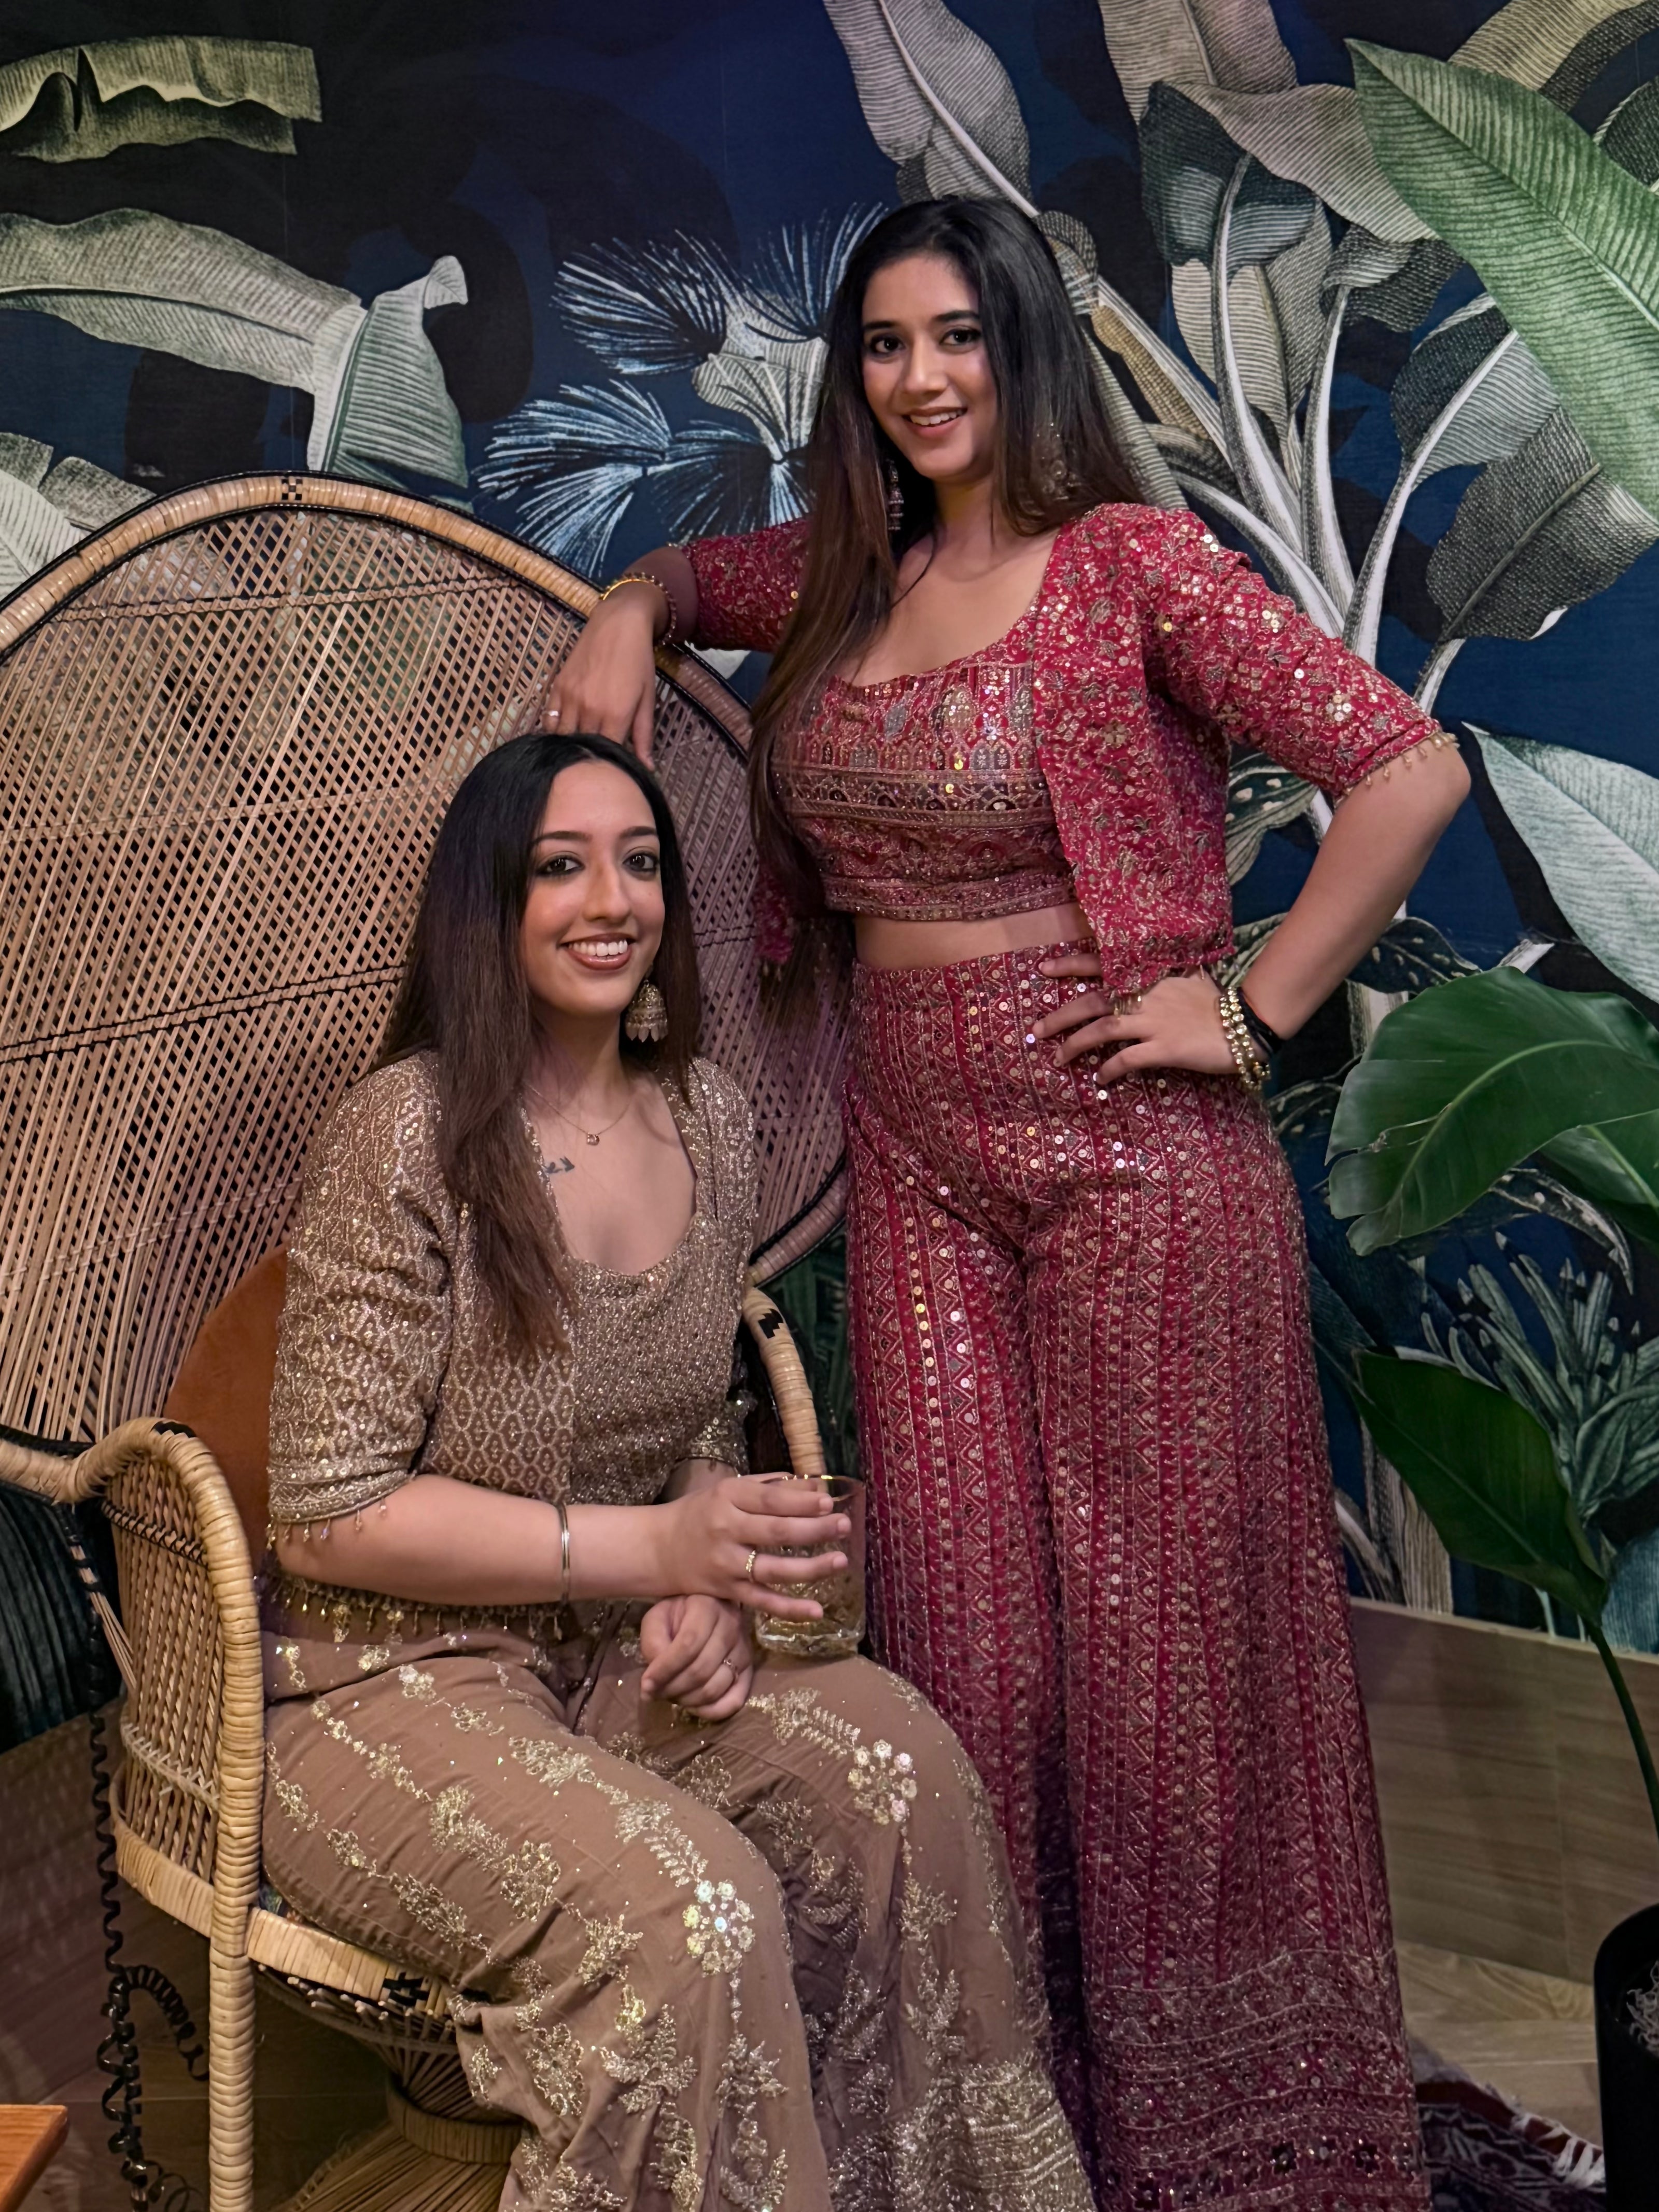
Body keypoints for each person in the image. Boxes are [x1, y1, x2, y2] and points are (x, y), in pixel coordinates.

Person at [542, 200, 1469, 2209]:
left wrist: (1250, 1008)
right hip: (918, 1160)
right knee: (971, 1646)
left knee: (1157, 1658)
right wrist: (626, 600)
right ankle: (1005, 2125)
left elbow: (1404, 769)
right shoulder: (838, 573)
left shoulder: (1128, 563)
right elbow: (697, 575)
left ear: (1020, 344)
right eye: (883, 345)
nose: (921, 378)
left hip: (1132, 1152)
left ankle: (1220, 2145)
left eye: (957, 335)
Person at [261, 730, 1092, 2212]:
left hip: (617, 1658)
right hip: (381, 1683)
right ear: (489, 904)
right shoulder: (405, 1134)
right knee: (690, 1917)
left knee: (911, 1785)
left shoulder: (703, 1111)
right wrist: (658, 1551)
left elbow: (698, 1424)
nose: (612, 900)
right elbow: (332, 1514)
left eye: (639, 862)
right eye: (561, 866)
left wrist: (705, 1583)